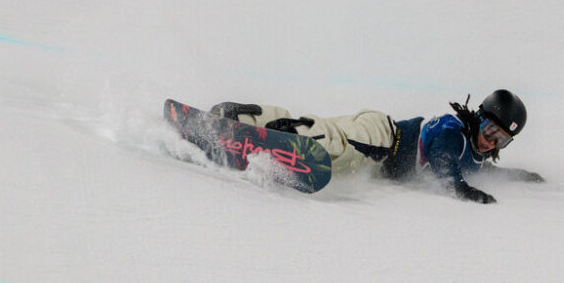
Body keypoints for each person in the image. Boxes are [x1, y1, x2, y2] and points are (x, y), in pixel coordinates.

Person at [209, 89, 543, 204]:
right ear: (477, 117)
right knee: (330, 139)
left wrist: (521, 177)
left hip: (374, 161)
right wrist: (460, 189)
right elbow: (444, 160)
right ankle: (240, 117)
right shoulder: (454, 133)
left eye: (501, 139)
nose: (490, 140)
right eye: (488, 128)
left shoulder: (473, 153)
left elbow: (485, 169)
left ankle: (261, 138)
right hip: (383, 137)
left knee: (329, 153)